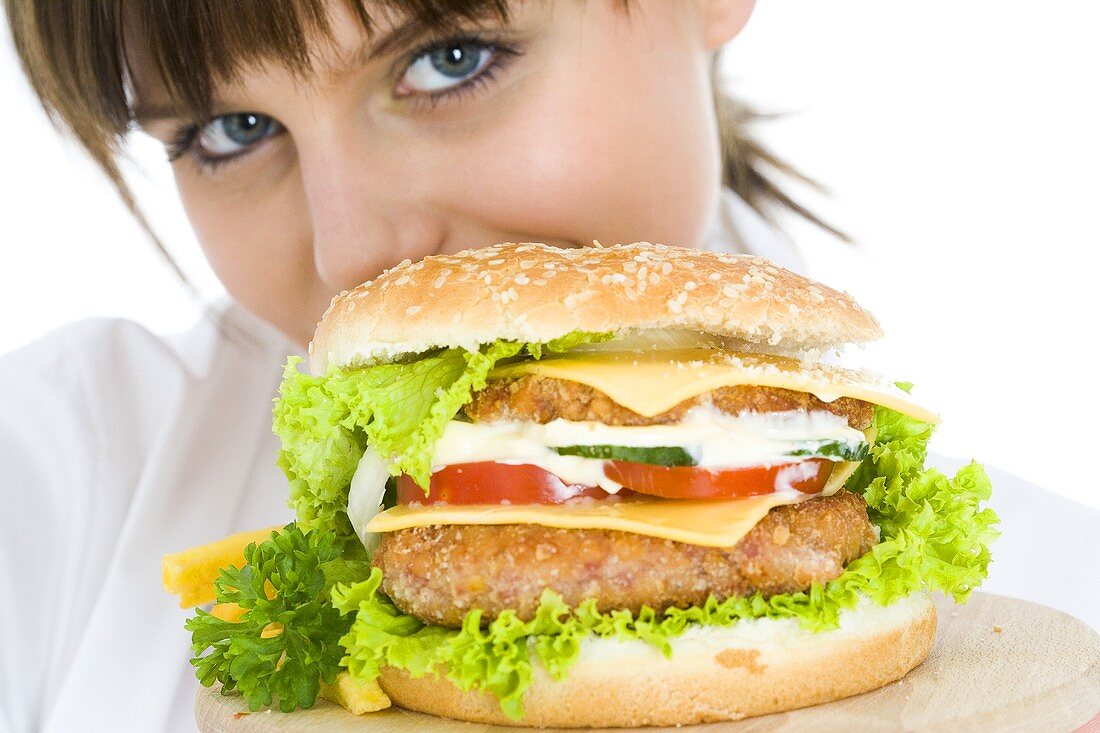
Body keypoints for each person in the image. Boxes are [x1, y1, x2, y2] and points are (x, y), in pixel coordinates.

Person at [0, 2, 1095, 732]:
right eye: (230, 130)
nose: (349, 250)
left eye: (449, 58)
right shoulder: (63, 461)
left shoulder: (1059, 608)